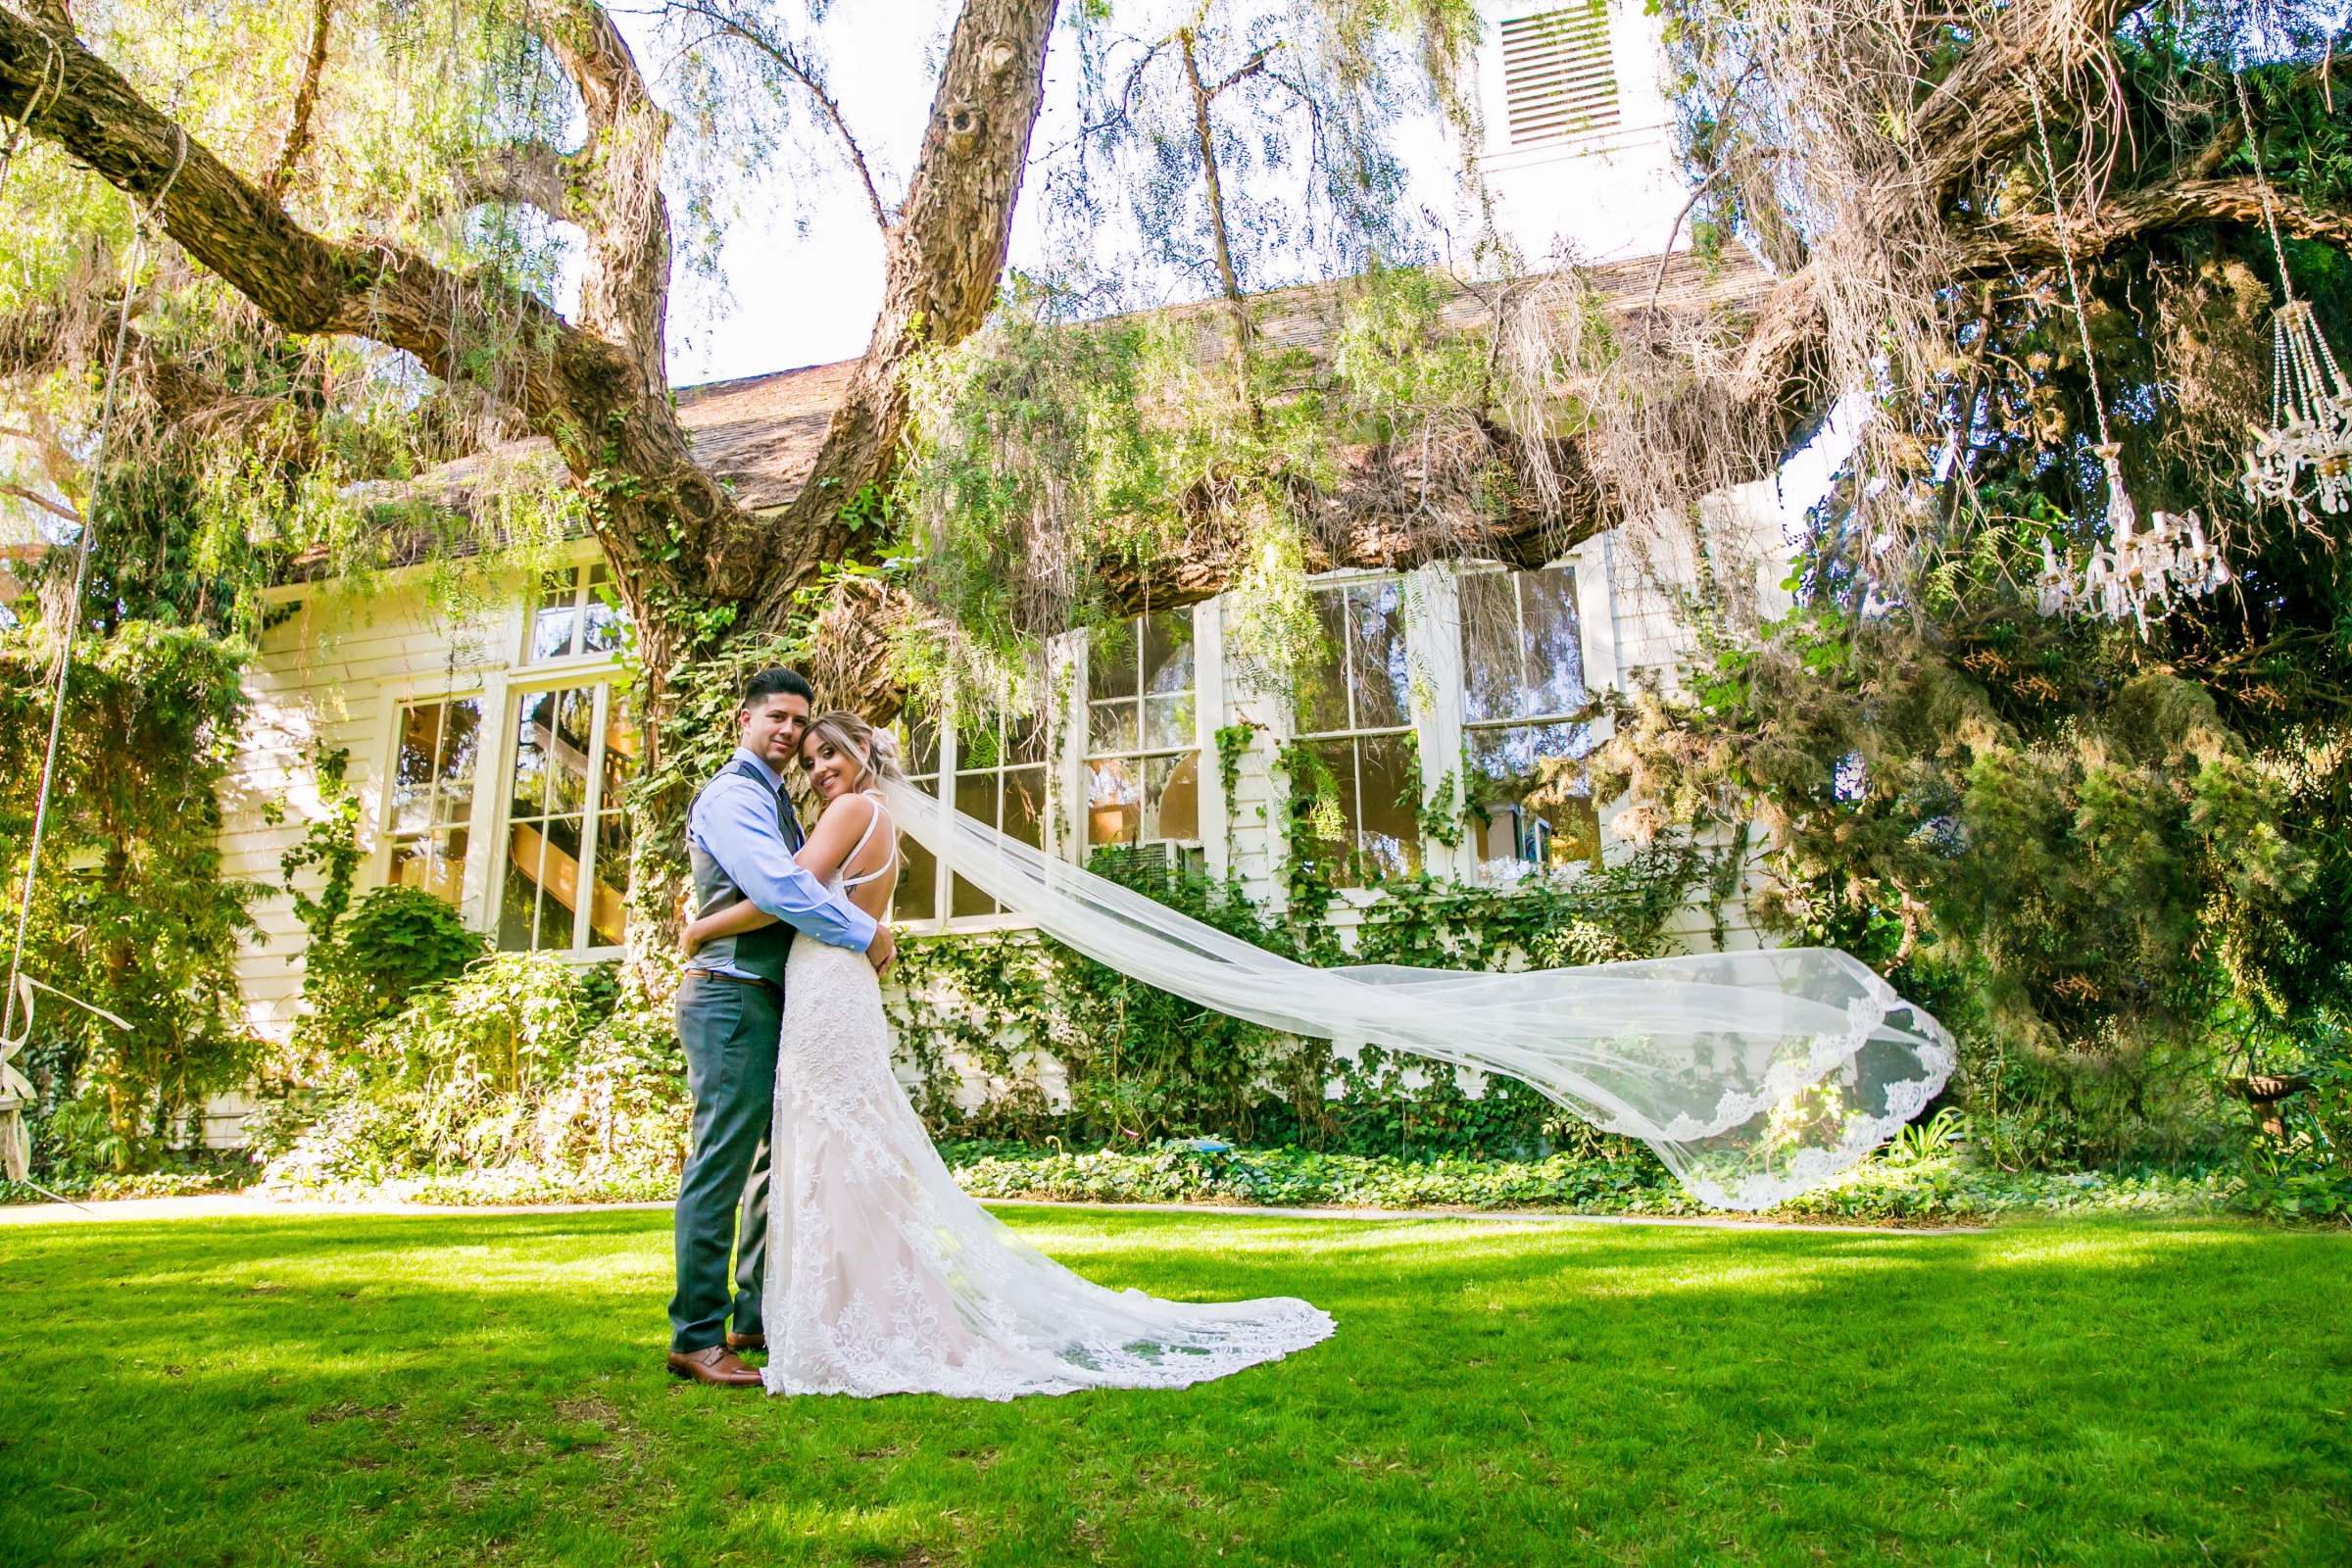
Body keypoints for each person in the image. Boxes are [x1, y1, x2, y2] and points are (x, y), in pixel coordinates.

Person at [680, 709, 1335, 1399]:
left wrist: (702, 926)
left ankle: (843, 1319)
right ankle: (840, 1314)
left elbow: (785, 895)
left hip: (827, 987)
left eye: (826, 754)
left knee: (832, 1150)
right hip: (836, 984)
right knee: (842, 1152)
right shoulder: (880, 817)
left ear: (863, 748)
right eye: (809, 762)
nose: (817, 771)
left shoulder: (848, 812)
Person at [665, 668, 897, 1390]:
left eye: (798, 722)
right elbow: (778, 890)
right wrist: (863, 930)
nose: (790, 733)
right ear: (744, 718)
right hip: (731, 996)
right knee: (723, 1163)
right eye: (777, 718)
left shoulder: (786, 803)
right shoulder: (735, 795)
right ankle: (697, 1337)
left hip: (776, 997)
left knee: (775, 1163)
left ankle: (756, 1316)